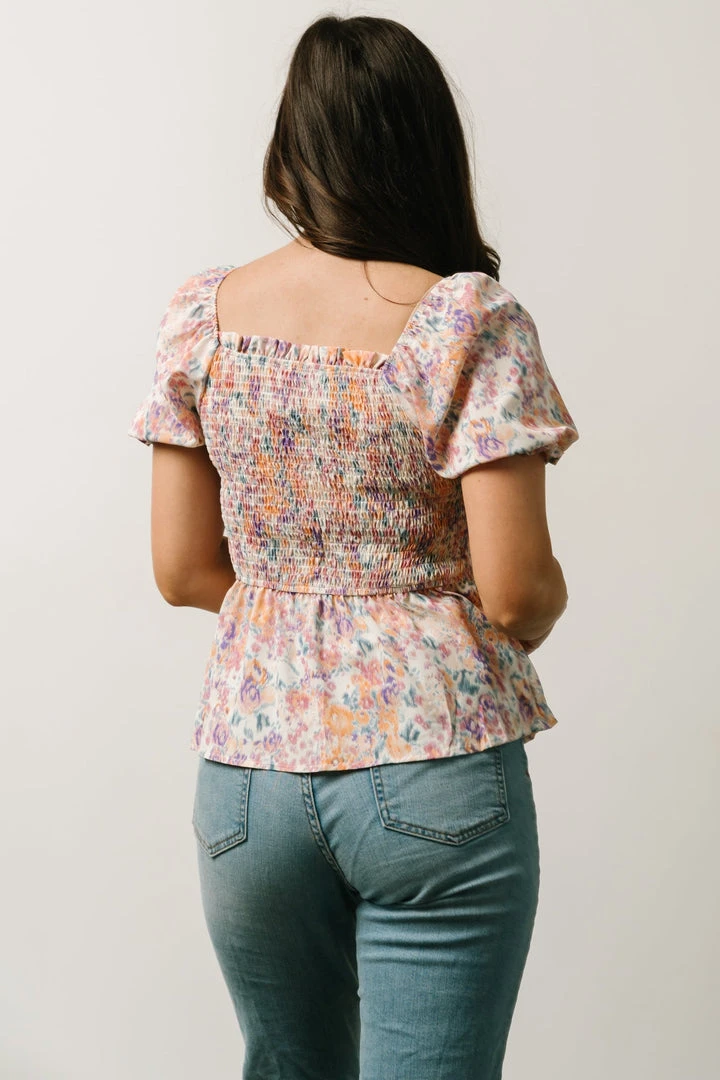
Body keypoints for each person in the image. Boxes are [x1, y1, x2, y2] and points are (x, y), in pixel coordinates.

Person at [127, 13, 580, 1080]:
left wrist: (302, 612)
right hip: (433, 762)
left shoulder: (204, 315)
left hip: (248, 774)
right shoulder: (466, 319)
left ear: (291, 146)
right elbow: (517, 591)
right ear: (427, 146)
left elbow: (181, 570)